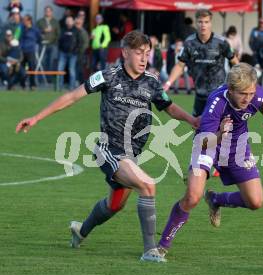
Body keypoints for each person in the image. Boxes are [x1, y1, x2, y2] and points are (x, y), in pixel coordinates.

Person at [15, 31, 199, 262]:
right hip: (108, 149)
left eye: (147, 53)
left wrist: (192, 120)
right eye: (139, 53)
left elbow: (169, 107)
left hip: (131, 155)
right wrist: (36, 118)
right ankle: (150, 250)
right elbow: (72, 96)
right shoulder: (108, 76)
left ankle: (80, 231)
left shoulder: (151, 82)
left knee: (114, 205)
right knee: (148, 185)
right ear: (125, 52)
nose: (144, 58)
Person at [156, 63, 263, 261]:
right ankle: (161, 246)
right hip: (209, 143)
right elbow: (204, 140)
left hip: (237, 146)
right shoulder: (216, 103)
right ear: (230, 90)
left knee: (255, 202)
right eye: (243, 94)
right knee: (193, 196)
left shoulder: (256, 94)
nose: (248, 98)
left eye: (251, 93)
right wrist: (221, 133)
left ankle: (216, 200)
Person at [164, 9, 239, 117]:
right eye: (200, 22)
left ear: (210, 23)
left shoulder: (221, 42)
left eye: (206, 22)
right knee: (198, 127)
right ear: (196, 23)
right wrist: (168, 83)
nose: (203, 25)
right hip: (199, 95)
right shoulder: (189, 42)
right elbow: (180, 65)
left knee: (219, 129)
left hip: (219, 94)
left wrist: (239, 82)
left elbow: (235, 62)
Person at [57, 16, 80, 90]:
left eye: (70, 21)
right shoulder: (63, 30)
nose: (68, 22)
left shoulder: (76, 30)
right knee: (60, 70)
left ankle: (72, 87)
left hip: (73, 54)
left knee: (71, 70)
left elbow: (79, 42)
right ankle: (59, 86)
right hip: (63, 53)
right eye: (67, 21)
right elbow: (59, 40)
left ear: (73, 22)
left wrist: (76, 50)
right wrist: (60, 49)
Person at [36, 5, 60, 76]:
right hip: (42, 44)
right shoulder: (40, 21)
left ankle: (49, 79)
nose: (48, 12)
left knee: (51, 61)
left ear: (51, 12)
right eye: (46, 11)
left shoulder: (55, 22)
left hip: (52, 45)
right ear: (44, 12)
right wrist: (43, 31)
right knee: (42, 61)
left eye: (49, 11)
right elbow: (36, 32)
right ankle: (41, 78)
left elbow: (58, 33)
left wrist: (55, 42)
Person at [19, 14, 41, 90]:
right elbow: (19, 38)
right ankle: (23, 85)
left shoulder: (35, 30)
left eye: (25, 20)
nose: (23, 21)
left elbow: (39, 39)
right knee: (21, 69)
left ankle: (32, 85)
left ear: (29, 21)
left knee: (31, 68)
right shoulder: (22, 28)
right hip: (22, 51)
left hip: (31, 51)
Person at [75, 16, 89, 85]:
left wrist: (80, 51)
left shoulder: (83, 32)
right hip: (75, 52)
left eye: (78, 23)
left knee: (79, 68)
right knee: (76, 67)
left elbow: (85, 43)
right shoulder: (75, 31)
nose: (77, 24)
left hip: (81, 53)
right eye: (76, 23)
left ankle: (80, 82)